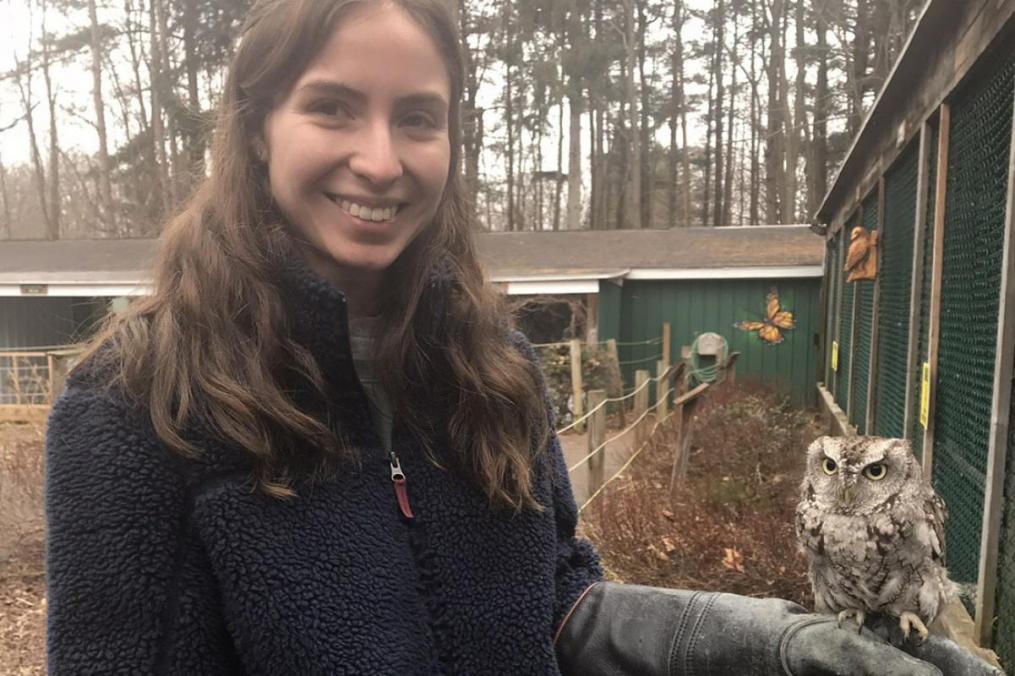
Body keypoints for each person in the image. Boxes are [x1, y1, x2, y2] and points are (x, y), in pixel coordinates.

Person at [44, 1, 1004, 674]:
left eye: (417, 117)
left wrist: (777, 644)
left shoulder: (491, 366)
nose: (379, 160)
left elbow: (558, 606)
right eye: (332, 106)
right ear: (257, 128)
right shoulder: (140, 403)